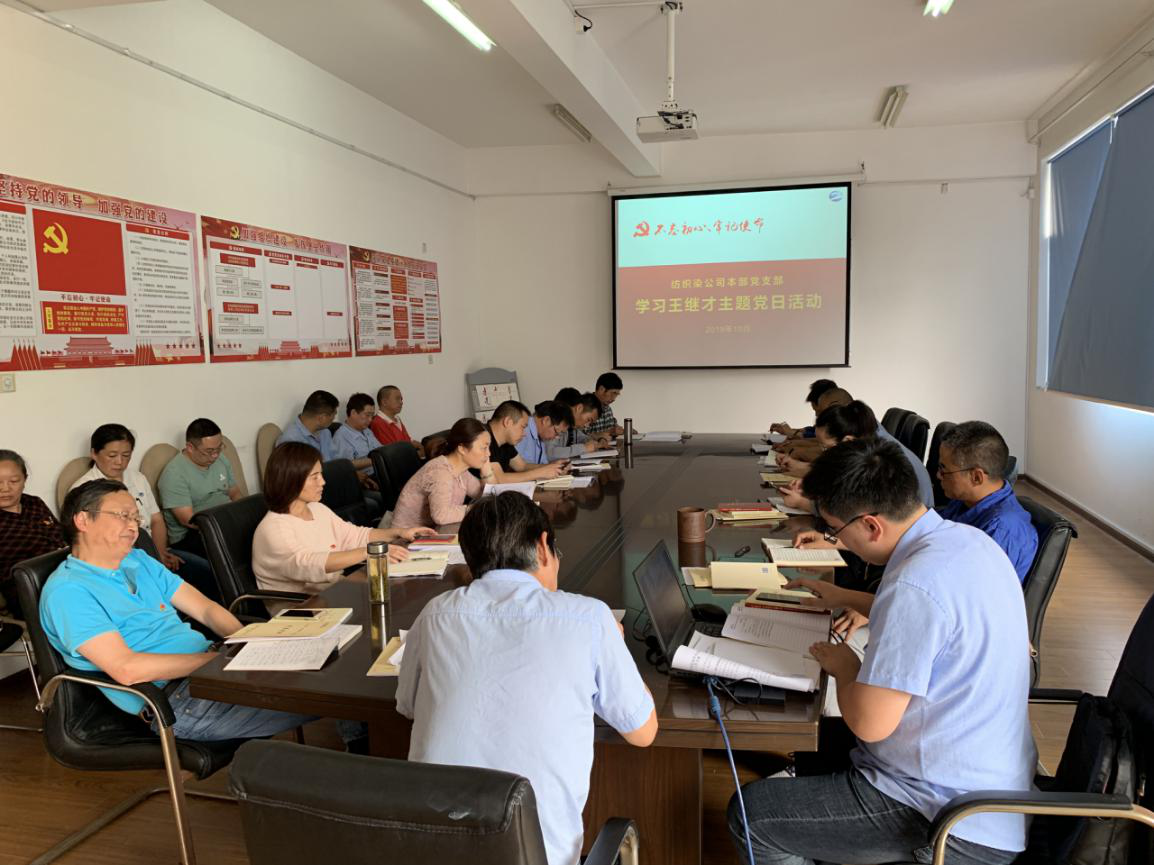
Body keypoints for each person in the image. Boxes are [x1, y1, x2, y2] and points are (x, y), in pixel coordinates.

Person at [730, 438, 1035, 865]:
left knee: (752, 815)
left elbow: (870, 724)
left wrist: (845, 666)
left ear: (872, 526)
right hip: (989, 784)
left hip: (947, 816)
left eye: (836, 531)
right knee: (818, 740)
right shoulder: (966, 542)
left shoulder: (915, 583)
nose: (836, 540)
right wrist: (843, 596)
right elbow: (940, 620)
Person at [397, 492, 657, 865]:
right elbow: (643, 732)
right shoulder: (588, 618)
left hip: (432, 851)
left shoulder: (434, 614)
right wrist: (615, 645)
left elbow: (408, 706)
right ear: (542, 547)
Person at [39, 479, 315, 741]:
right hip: (179, 702)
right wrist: (220, 660)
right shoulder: (69, 591)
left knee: (325, 663)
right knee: (328, 692)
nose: (134, 526)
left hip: (212, 669)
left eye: (135, 517)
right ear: (83, 520)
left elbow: (205, 609)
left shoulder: (138, 559)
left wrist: (247, 644)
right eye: (123, 515)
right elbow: (127, 669)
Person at [252, 442, 434, 596]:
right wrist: (369, 552)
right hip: (301, 609)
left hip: (333, 592)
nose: (322, 482)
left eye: (321, 475)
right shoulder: (273, 528)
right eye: (314, 477)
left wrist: (400, 532)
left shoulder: (316, 509)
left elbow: (354, 536)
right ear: (291, 479)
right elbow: (307, 563)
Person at [781, 400, 935, 514]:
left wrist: (802, 503)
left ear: (847, 440)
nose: (824, 453)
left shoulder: (876, 458)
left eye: (825, 447)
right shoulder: (864, 440)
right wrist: (810, 484)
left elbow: (850, 511)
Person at [71, 424, 181, 572]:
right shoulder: (85, 490)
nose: (119, 462)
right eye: (112, 456)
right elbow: (91, 542)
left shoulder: (137, 478)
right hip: (121, 561)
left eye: (126, 455)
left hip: (151, 551)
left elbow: (156, 519)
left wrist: (159, 554)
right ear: (94, 454)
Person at [936, 422, 1037, 583]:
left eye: (944, 470)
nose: (938, 475)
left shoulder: (1001, 530)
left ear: (976, 477)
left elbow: (975, 588)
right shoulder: (965, 501)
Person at [157, 418, 244, 568]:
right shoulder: (174, 474)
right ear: (190, 447)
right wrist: (227, 525)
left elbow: (235, 493)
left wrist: (243, 515)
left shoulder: (221, 460)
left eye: (219, 448)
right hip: (194, 534)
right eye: (209, 451)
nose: (215, 455)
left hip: (224, 521)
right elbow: (189, 520)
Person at [391, 419, 497, 529]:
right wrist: (477, 508)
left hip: (432, 531)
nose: (489, 453)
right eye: (484, 448)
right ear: (462, 449)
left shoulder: (461, 472)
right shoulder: (440, 472)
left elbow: (489, 497)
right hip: (406, 536)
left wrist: (487, 471)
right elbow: (441, 516)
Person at [0, 450, 66, 618]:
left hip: (67, 572)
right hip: (30, 591)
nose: (5, 488)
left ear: (25, 480)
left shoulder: (34, 503)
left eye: (14, 481)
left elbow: (61, 537)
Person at [485, 400, 566, 482]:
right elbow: (498, 479)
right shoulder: (484, 438)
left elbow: (522, 466)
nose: (524, 433)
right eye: (523, 427)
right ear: (508, 422)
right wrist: (540, 473)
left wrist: (553, 467)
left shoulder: (506, 442)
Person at [332, 393, 383, 508]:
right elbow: (344, 466)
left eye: (372, 416)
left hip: (380, 472)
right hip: (365, 479)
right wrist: (375, 459)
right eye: (367, 415)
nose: (370, 420)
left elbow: (381, 450)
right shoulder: (341, 436)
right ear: (353, 413)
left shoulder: (367, 431)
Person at [276, 390, 339, 461]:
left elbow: (336, 460)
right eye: (334, 415)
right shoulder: (290, 441)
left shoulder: (325, 432)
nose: (334, 419)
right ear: (322, 418)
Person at [547, 389, 609, 459]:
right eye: (588, 420)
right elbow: (549, 454)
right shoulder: (552, 422)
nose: (586, 425)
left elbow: (583, 438)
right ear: (579, 408)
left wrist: (598, 441)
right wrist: (584, 448)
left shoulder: (572, 428)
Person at [770, 379, 838, 440]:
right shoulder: (830, 417)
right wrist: (788, 430)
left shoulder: (839, 421)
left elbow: (818, 439)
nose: (816, 414)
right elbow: (813, 430)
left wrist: (793, 433)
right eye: (815, 410)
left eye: (818, 411)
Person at [514, 400, 574, 467]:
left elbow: (542, 464)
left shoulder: (540, 436)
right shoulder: (522, 431)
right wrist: (550, 467)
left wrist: (555, 468)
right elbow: (517, 468)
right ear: (546, 421)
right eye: (556, 432)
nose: (556, 437)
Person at [369, 385, 422, 453]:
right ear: (384, 402)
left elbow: (407, 441)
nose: (401, 402)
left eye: (401, 399)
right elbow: (392, 451)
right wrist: (416, 451)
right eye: (397, 399)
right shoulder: (378, 423)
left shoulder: (397, 418)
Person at [583, 372, 625, 438]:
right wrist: (609, 432)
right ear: (601, 389)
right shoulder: (585, 407)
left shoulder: (608, 409)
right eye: (613, 393)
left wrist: (625, 431)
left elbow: (613, 428)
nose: (614, 398)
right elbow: (579, 438)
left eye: (617, 394)